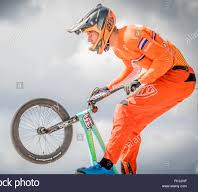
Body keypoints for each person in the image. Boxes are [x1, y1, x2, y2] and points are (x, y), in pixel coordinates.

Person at [68, 4, 196, 174]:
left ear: (102, 27)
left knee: (124, 108)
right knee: (129, 126)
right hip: (168, 80)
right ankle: (128, 173)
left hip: (178, 78)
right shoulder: (118, 48)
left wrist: (140, 81)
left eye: (90, 33)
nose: (88, 39)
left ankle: (105, 166)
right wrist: (107, 89)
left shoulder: (132, 36)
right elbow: (132, 70)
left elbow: (165, 59)